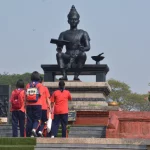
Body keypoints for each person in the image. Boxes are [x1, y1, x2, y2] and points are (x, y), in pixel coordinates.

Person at [56, 5, 90, 81]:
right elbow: (59, 48)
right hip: (67, 56)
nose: (73, 21)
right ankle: (64, 75)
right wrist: (59, 47)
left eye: (75, 19)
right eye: (71, 19)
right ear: (68, 21)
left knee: (83, 55)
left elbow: (88, 47)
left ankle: (76, 75)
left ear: (78, 21)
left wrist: (83, 48)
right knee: (59, 55)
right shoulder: (63, 34)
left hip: (78, 56)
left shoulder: (83, 33)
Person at [25, 71, 44, 137]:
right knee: (37, 119)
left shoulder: (28, 85)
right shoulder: (40, 85)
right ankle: (34, 129)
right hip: (37, 104)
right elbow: (40, 94)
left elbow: (26, 95)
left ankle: (30, 134)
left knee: (29, 120)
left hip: (28, 104)